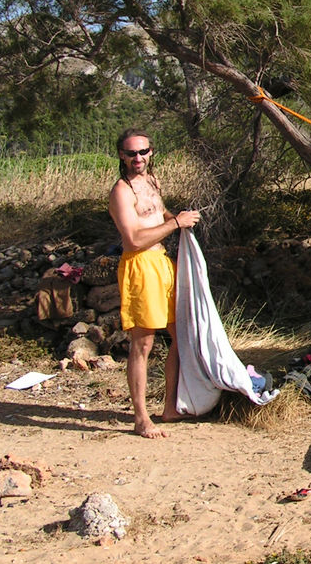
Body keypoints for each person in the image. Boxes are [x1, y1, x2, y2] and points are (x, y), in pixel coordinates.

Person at [108, 129, 200, 437]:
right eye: (132, 153)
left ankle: (169, 407)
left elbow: (159, 215)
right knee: (143, 342)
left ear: (151, 152)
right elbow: (133, 238)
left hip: (162, 263)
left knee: (179, 335)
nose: (138, 158)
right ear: (122, 155)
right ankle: (141, 417)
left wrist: (181, 220)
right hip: (140, 266)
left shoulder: (152, 181)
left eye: (143, 152)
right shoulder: (122, 191)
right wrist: (175, 224)